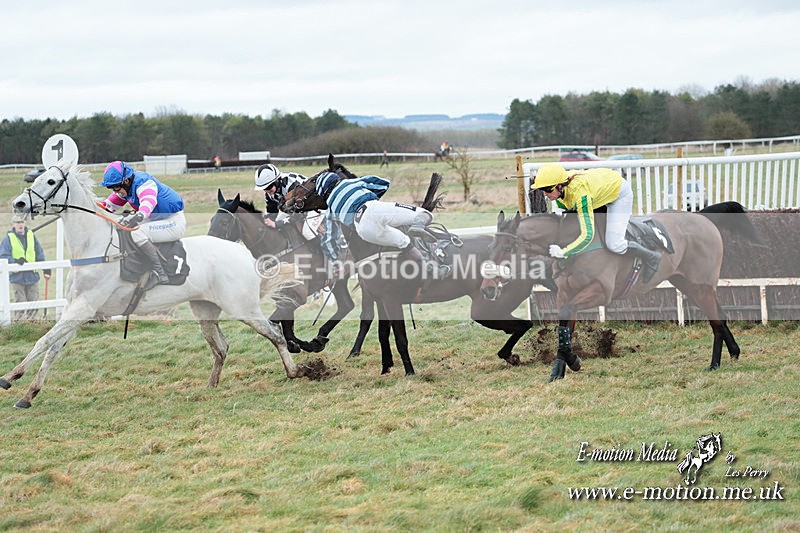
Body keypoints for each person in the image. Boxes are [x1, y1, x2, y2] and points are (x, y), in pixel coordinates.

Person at [531, 163, 662, 284]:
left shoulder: (580, 195)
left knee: (614, 244)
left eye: (547, 189)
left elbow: (587, 234)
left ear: (560, 185)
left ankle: (652, 257)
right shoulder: (560, 191)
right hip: (598, 192)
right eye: (542, 190)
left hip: (619, 195)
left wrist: (564, 252)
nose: (545, 194)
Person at [315, 171, 449, 278]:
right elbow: (383, 183)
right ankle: (417, 227)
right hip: (374, 209)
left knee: (403, 241)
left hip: (363, 230)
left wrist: (336, 263)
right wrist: (373, 197)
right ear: (335, 180)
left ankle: (433, 270)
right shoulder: (350, 183)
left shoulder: (330, 210)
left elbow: (328, 240)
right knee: (424, 214)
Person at [99, 161, 186, 287]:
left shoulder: (144, 182)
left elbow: (148, 201)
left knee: (137, 232)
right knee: (123, 226)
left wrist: (140, 215)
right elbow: (106, 207)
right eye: (111, 188)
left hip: (173, 221)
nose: (115, 191)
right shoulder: (124, 189)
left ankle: (160, 273)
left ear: (126, 181)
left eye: (116, 187)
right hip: (155, 219)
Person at [0, 214, 51, 320]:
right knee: (20, 303)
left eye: (22, 222)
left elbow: (39, 252)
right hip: (17, 277)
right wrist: (15, 261)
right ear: (13, 224)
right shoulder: (8, 238)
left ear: (25, 223)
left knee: (33, 303)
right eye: (18, 222)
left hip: (32, 276)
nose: (20, 224)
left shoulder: (31, 235)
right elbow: (3, 256)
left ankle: (32, 325)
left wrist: (46, 268)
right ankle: (19, 325)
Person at [254, 163, 322, 241]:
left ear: (277, 180)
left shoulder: (292, 186)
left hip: (315, 204)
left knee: (308, 233)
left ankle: (327, 252)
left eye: (269, 187)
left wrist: (277, 224)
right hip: (298, 206)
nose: (267, 191)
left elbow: (299, 215)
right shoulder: (270, 192)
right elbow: (272, 212)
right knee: (277, 223)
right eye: (264, 188)